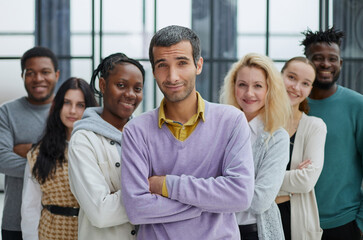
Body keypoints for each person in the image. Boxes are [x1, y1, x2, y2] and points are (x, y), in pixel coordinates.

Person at [120, 25, 255, 240]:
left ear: (198, 65)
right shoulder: (136, 131)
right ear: (154, 71)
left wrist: (165, 184)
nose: (172, 76)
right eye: (163, 65)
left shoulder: (231, 121)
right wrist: (207, 204)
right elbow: (137, 208)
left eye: (182, 63)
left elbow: (240, 195)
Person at [68, 53, 145, 240]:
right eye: (121, 85)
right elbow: (101, 213)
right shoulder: (83, 140)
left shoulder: (145, 136)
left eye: (137, 88)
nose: (130, 94)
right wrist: (154, 189)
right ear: (103, 85)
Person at [220, 53, 290, 239]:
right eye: (242, 85)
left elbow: (260, 200)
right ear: (233, 87)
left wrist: (212, 192)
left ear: (269, 89)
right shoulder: (219, 129)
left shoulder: (277, 137)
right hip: (217, 231)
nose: (249, 93)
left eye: (257, 86)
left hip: (255, 233)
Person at [302, 27, 363, 240]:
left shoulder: (357, 105)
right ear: (306, 62)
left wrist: (361, 221)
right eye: (318, 58)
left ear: (340, 63)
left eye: (332, 59)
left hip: (344, 222)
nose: (326, 64)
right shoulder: (291, 106)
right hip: (297, 219)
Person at [21, 77, 97, 239]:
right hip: (51, 232)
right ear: (58, 106)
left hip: (91, 231)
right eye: (67, 103)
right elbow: (30, 207)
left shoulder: (100, 147)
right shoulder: (39, 152)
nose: (72, 111)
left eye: (80, 105)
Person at [0, 46, 59, 239]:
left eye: (45, 72)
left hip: (60, 221)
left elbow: (75, 160)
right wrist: (54, 164)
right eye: (30, 73)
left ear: (56, 75)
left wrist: (28, 150)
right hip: (14, 220)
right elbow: (2, 159)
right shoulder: (6, 112)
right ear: (22, 76)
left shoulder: (69, 111)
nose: (38, 79)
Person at [276, 57, 327, 240]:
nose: (296, 88)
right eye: (291, 77)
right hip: (254, 218)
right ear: (279, 76)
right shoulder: (259, 121)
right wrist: (292, 178)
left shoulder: (315, 126)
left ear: (310, 89)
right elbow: (242, 180)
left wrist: (262, 178)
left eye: (305, 83)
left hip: (295, 220)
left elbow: (306, 181)